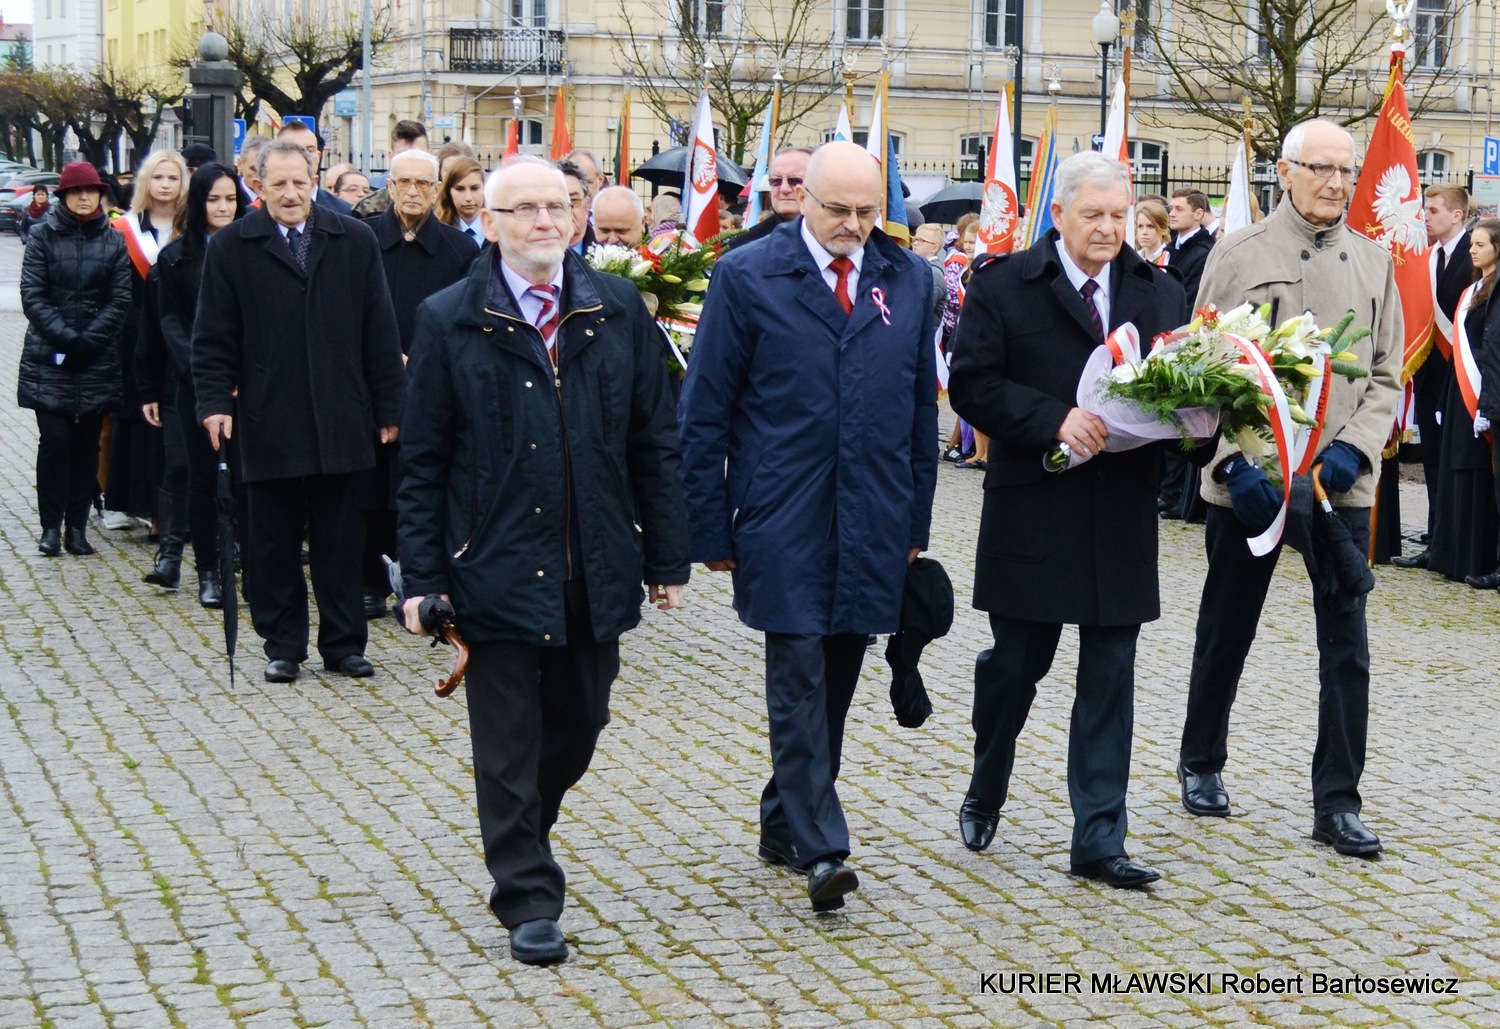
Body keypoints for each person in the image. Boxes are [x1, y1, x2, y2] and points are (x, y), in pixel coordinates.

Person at [396, 155, 689, 966]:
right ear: (489, 223)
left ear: (576, 215)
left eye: (557, 206)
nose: (544, 221)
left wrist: (667, 555)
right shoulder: (449, 317)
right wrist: (422, 579)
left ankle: (525, 824)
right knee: (506, 741)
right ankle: (527, 894)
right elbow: (422, 461)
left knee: (579, 724)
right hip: (491, 565)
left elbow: (655, 441)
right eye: (523, 209)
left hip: (593, 562)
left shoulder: (617, 308)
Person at [679, 140, 938, 912]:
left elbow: (919, 409)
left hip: (874, 510)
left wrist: (915, 519)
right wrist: (708, 527)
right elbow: (705, 409)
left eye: (867, 211)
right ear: (803, 201)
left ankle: (782, 819)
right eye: (839, 210)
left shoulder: (909, 278)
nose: (853, 224)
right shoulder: (746, 275)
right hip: (780, 509)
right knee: (796, 669)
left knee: (837, 673)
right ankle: (824, 846)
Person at [948, 151, 1188, 889]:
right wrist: (1053, 419)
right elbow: (971, 385)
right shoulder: (1004, 286)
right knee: (1017, 666)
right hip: (1034, 508)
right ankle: (988, 780)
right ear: (1057, 215)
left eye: (1119, 215)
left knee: (1110, 674)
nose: (1109, 228)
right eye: (1093, 215)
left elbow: (1181, 391)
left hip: (1120, 512)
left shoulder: (1160, 292)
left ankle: (1099, 837)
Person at [1177, 119, 1402, 857]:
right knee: (1227, 626)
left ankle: (1338, 801)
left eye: (1347, 170)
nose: (1337, 183)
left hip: (1338, 487)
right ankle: (1201, 759)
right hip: (1254, 481)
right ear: (1285, 170)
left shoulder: (1375, 262)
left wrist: (1353, 450)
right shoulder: (1238, 253)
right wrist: (1229, 463)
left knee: (1347, 646)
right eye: (1321, 168)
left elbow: (1386, 375)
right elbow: (1202, 371)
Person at [192, 138, 405, 684]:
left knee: (342, 539)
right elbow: (212, 336)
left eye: (299, 182)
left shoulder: (353, 239)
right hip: (268, 415)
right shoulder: (232, 247)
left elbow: (379, 329)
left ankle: (344, 644)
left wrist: (390, 406)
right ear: (257, 186)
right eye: (278, 184)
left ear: (315, 181)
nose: (290, 194)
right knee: (272, 542)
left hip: (341, 413)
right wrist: (214, 403)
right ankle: (283, 644)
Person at [363, 148, 474, 618]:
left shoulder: (460, 249)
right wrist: (387, 357)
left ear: (436, 190)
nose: (412, 191)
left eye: (423, 183)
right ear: (389, 187)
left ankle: (420, 578)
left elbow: (465, 317)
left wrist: (423, 358)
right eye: (403, 182)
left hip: (433, 380)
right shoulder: (364, 238)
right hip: (372, 379)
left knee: (422, 480)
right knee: (371, 486)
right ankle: (369, 578)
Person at [137, 163, 246, 604]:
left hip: (250, 385)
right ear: (198, 202)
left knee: (247, 481)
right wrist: (207, 373)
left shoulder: (253, 250)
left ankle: (245, 563)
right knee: (201, 480)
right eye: (213, 199)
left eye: (230, 199)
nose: (223, 208)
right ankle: (208, 572)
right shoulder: (175, 258)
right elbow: (168, 325)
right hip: (196, 385)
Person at [18, 161, 132, 557]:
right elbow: (33, 295)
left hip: (97, 358)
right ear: (64, 196)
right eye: (77, 191)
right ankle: (50, 527)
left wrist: (89, 340)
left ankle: (77, 528)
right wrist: (67, 338)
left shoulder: (113, 240)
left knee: (86, 447)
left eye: (91, 191)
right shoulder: (42, 236)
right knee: (56, 441)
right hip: (49, 357)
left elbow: (120, 299)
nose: (85, 197)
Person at [107, 149, 186, 537]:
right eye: (158, 177)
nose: (165, 185)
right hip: (137, 340)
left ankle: (182, 513)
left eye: (173, 178)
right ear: (145, 182)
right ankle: (151, 509)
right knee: (144, 427)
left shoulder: (192, 227)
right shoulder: (123, 230)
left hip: (183, 341)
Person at [1394, 185, 1473, 569]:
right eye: (1425, 209)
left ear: (1457, 215)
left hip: (1462, 377)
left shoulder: (1475, 254)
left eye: (1434, 210)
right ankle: (1435, 538)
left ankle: (1456, 542)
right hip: (1430, 376)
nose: (1425, 216)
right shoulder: (1428, 257)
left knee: (1457, 463)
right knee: (1433, 461)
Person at [1431, 218, 1499, 586]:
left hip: (1483, 393)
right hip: (1460, 391)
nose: (1472, 250)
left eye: (1480, 245)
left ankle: (1476, 556)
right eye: (1471, 244)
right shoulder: (1472, 289)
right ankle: (1449, 553)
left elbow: (1489, 348)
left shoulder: (1496, 291)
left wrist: (1486, 403)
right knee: (1452, 467)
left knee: (1476, 471)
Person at [724, 147, 812, 252]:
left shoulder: (829, 240)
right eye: (776, 181)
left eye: (795, 181)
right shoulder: (741, 246)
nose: (784, 189)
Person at [355, 120, 430, 219]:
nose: (411, 161)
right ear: (391, 156)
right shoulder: (367, 209)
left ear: (430, 155)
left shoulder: (443, 206)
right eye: (403, 155)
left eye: (418, 155)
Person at [276, 123, 353, 215]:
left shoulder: (345, 212)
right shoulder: (265, 209)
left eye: (309, 150)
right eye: (294, 150)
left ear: (318, 156)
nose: (304, 157)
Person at [1165, 188, 1214, 301]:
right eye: (1171, 208)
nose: (1171, 214)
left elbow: (1193, 297)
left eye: (1179, 209)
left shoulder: (1204, 253)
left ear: (1198, 214)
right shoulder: (1169, 248)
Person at [437, 156, 486, 244]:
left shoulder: (499, 230)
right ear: (449, 192)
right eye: (460, 189)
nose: (468, 198)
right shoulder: (437, 231)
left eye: (474, 188)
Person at [557, 159, 596, 254]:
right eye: (556, 204)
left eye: (573, 200)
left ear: (587, 204)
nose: (567, 209)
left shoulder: (608, 255)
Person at [1135, 199, 1170, 267]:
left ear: (1163, 229)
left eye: (1150, 226)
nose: (1144, 232)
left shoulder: (1170, 258)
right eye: (1140, 226)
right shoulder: (1133, 258)